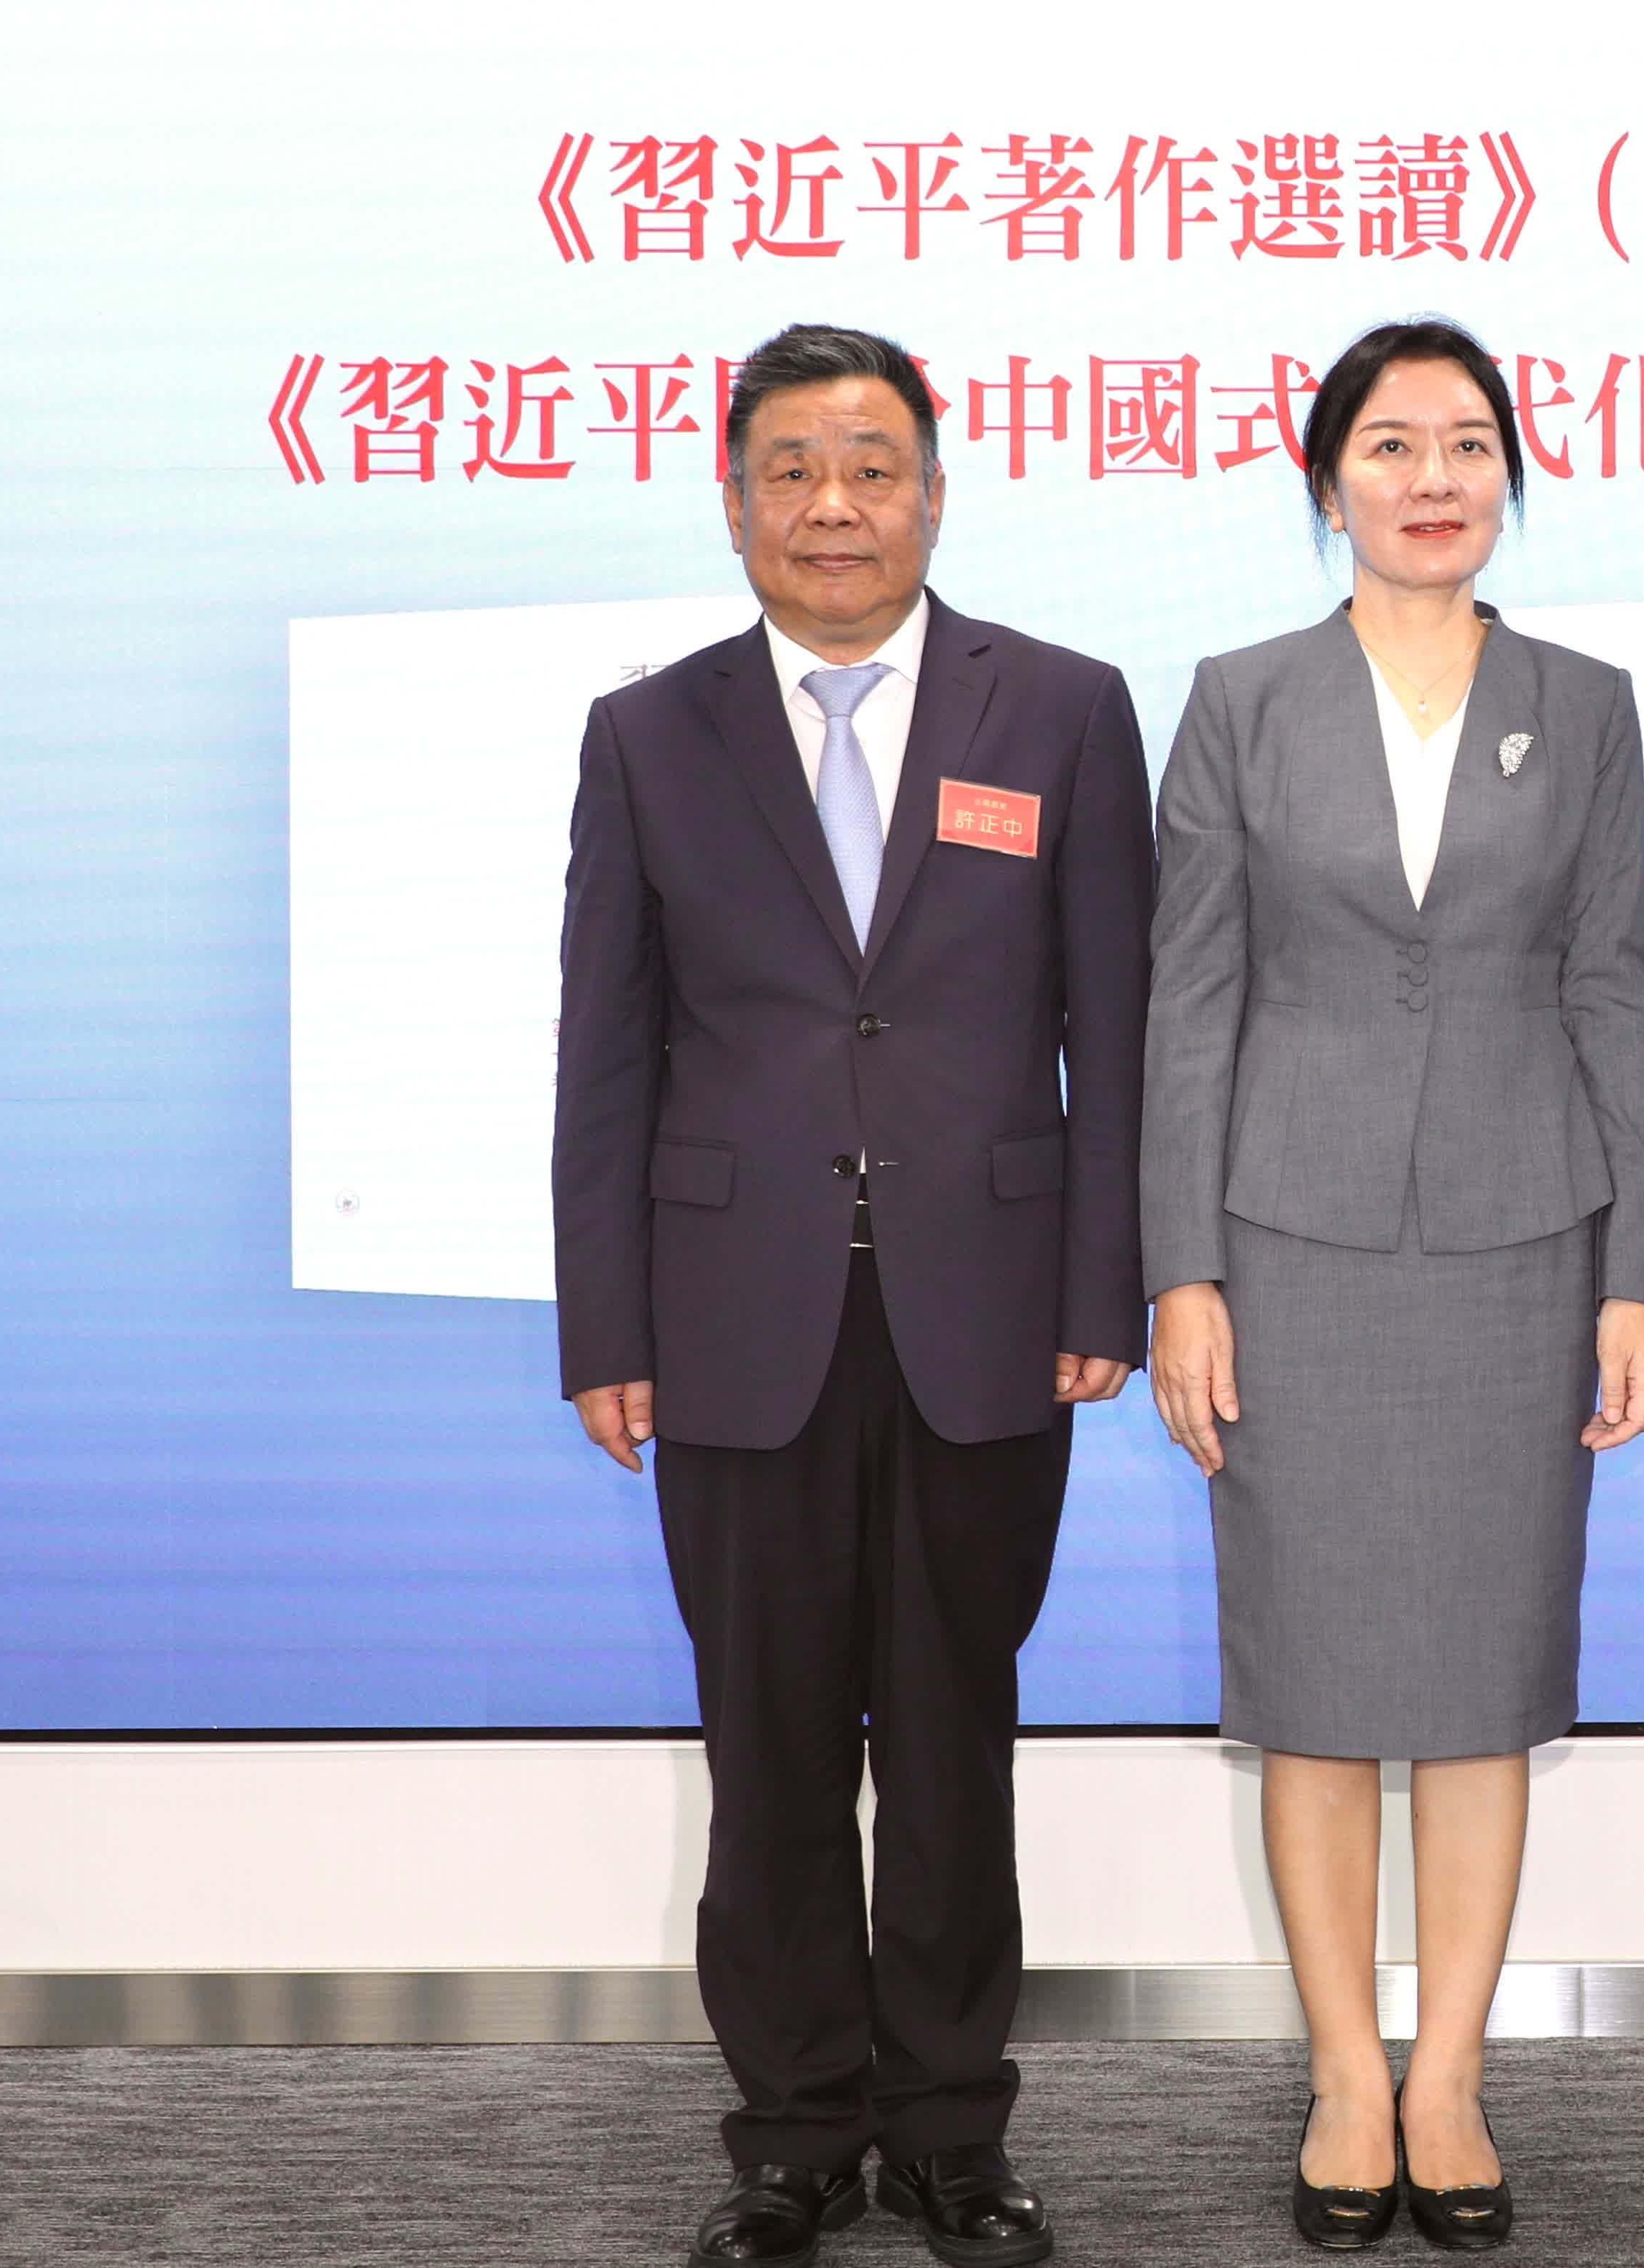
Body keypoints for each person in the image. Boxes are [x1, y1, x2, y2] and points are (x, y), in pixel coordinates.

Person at [552, 322, 1151, 2268]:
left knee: (958, 1739)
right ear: (734, 503)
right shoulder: (649, 733)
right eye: (792, 469)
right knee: (773, 1747)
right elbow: (605, 1052)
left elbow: (1117, 1031)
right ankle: (796, 2134)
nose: (834, 504)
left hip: (991, 1311)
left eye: (872, 466)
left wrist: (1109, 1283)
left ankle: (955, 2131)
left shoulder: (1060, 708)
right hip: (734, 1320)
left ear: (935, 494)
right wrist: (606, 1324)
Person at [1140, 316, 1644, 2253]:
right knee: (1314, 1680)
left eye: (1465, 443)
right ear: (1328, 481)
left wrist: (1632, 1275)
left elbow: (1615, 985)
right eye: (1389, 443)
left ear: (1508, 472)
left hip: (1525, 1243)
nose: (1431, 477)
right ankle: (1344, 2073)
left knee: (1480, 1681)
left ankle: (1448, 2073)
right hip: (1292, 1243)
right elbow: (1190, 999)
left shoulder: (1585, 703)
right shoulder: (1241, 699)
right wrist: (1183, 1272)